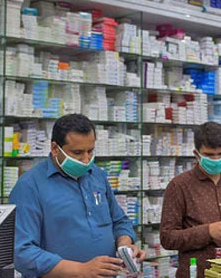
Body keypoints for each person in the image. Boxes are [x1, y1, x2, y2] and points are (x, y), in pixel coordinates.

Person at [10, 113, 144, 278]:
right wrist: (80, 270)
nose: (86, 160)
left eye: (90, 151)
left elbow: (119, 221)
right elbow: (22, 251)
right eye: (77, 152)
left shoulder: (97, 175)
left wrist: (125, 245)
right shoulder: (30, 186)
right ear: (54, 149)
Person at [160, 122, 221, 278]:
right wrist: (208, 232)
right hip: (197, 272)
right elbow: (167, 238)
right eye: (210, 155)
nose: (216, 159)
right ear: (197, 154)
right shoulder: (179, 186)